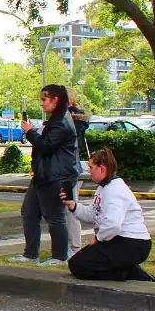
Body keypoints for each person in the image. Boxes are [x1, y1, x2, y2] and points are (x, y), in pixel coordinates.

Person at [9, 84, 78, 266]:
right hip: (44, 173)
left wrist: (30, 132)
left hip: (56, 175)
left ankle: (60, 256)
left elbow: (46, 146)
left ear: (55, 100)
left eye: (44, 99)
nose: (42, 103)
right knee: (29, 212)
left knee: (54, 216)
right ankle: (31, 253)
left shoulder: (61, 121)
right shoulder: (56, 119)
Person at [62, 148, 155, 281]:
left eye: (91, 167)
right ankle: (126, 269)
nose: (89, 171)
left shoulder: (116, 190)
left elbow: (113, 224)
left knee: (79, 265)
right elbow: (93, 214)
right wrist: (73, 206)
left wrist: (98, 239)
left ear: (102, 169)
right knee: (77, 263)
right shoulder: (103, 188)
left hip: (132, 243)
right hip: (117, 239)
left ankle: (128, 273)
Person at [65, 89, 92, 258]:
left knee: (70, 206)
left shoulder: (70, 120)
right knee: (68, 206)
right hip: (77, 165)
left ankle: (74, 246)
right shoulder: (78, 118)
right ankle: (72, 244)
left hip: (71, 167)